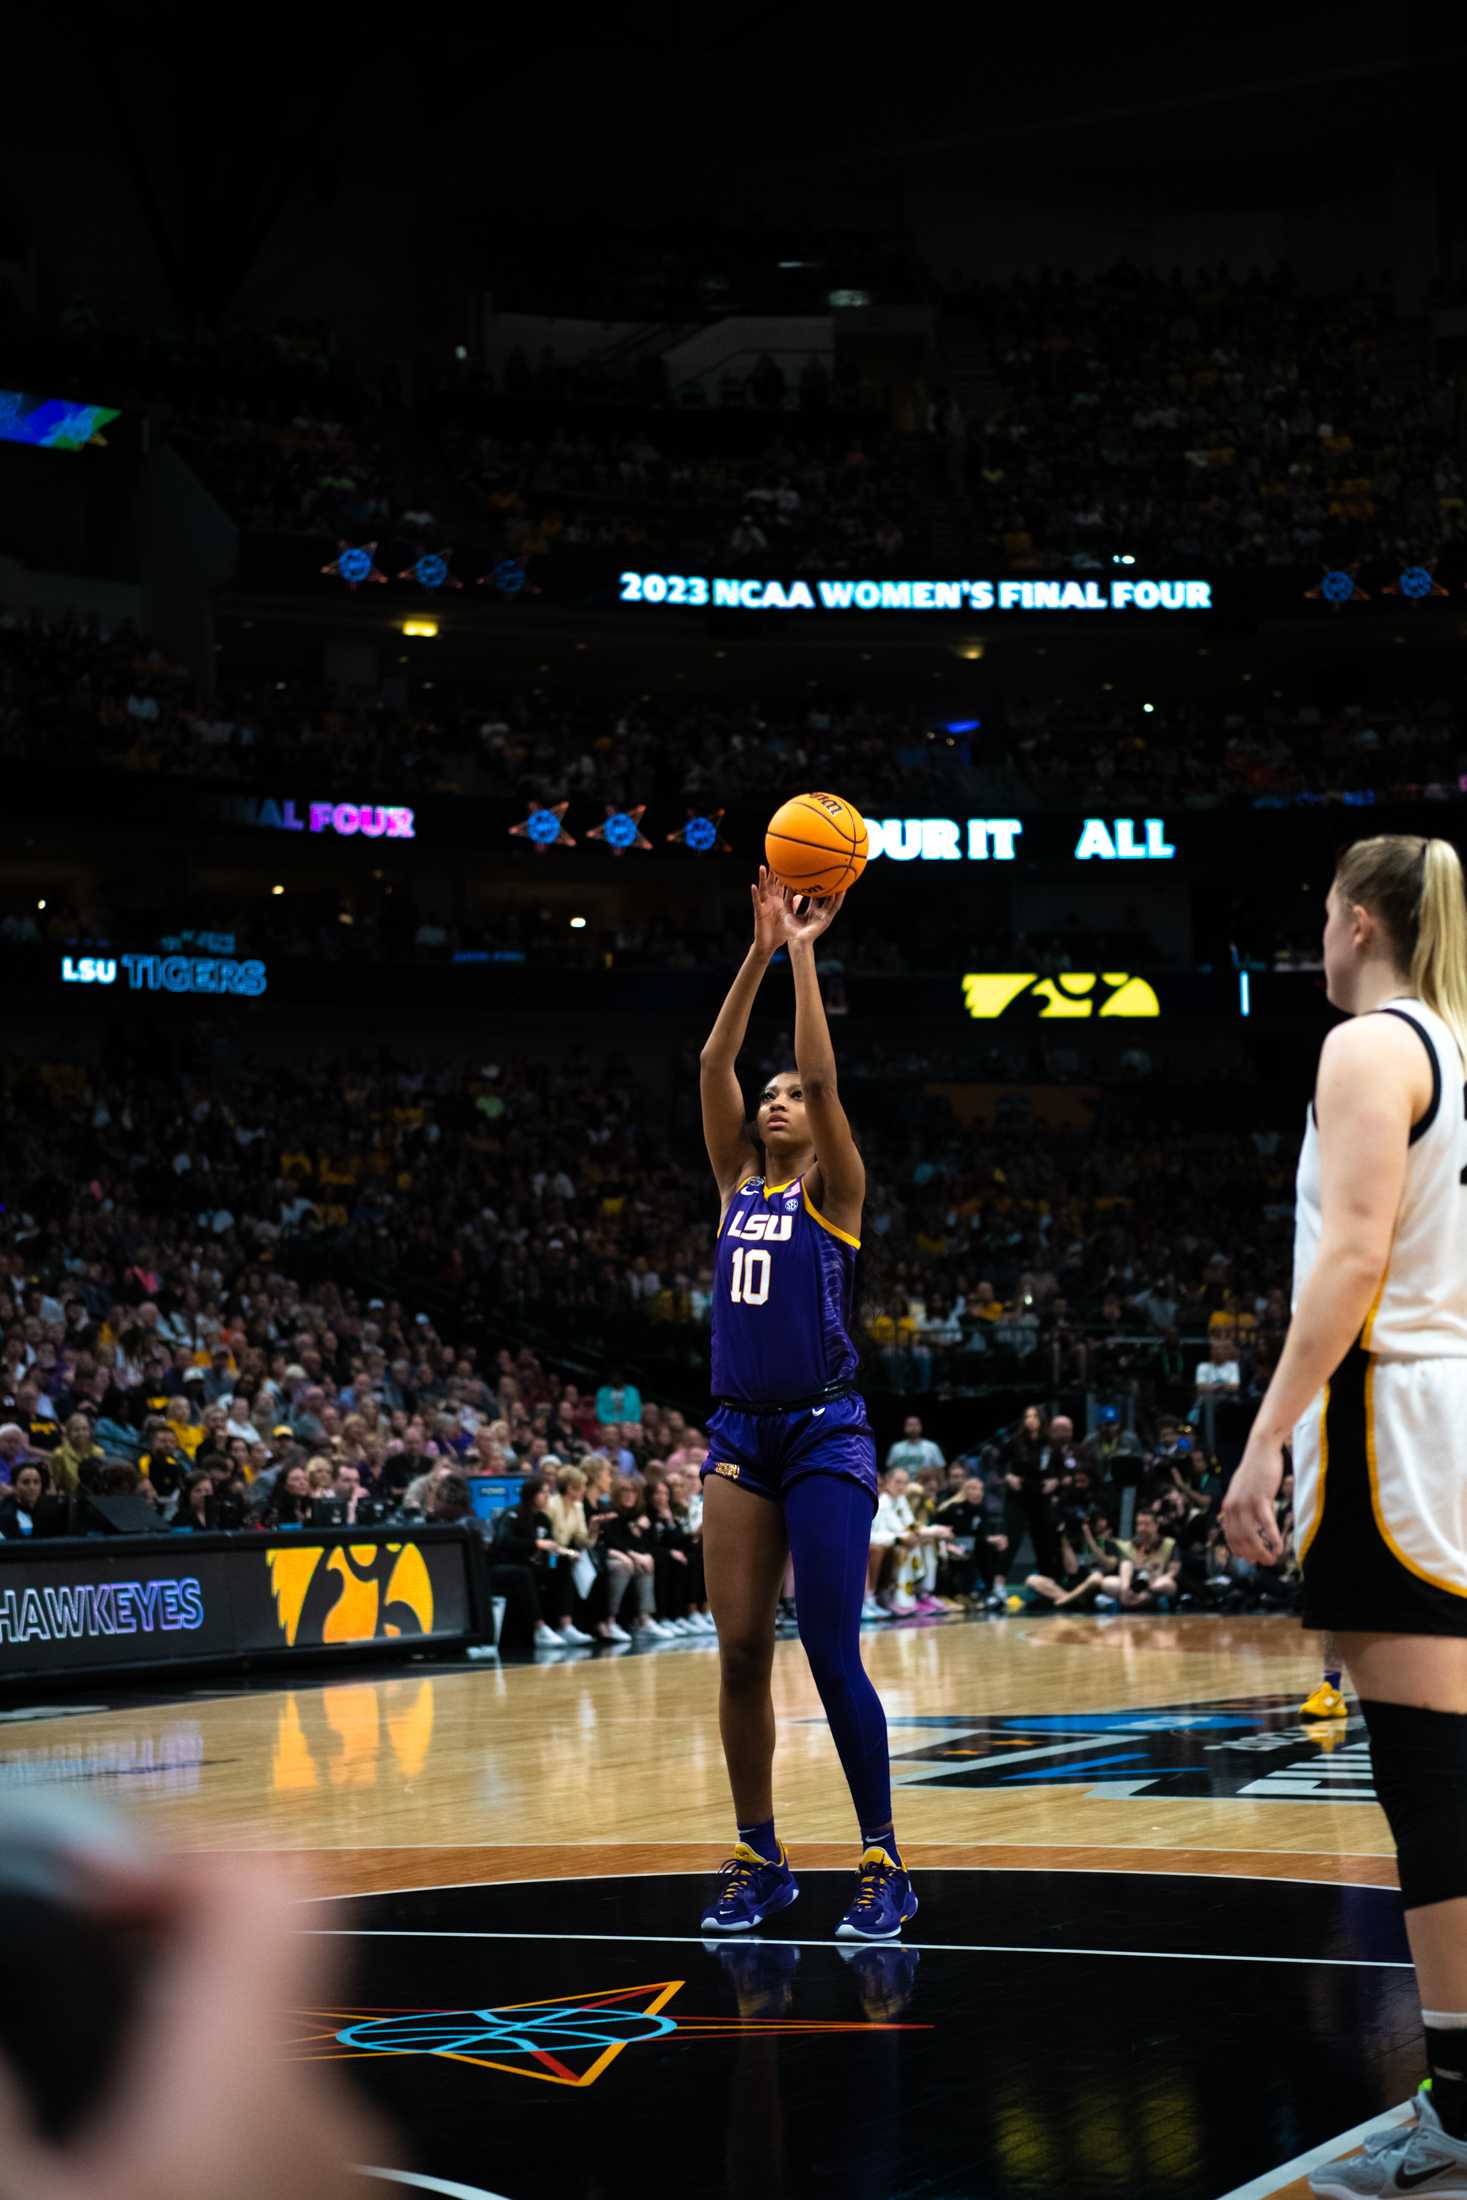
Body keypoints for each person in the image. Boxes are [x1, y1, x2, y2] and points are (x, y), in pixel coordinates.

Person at [1221, 834, 1467, 2196]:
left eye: (1320, 916)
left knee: (1427, 1782)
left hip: (1393, 1425)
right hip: (1455, 1411)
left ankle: (1461, 2110)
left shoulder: (1370, 1045)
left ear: (1361, 921)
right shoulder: (1461, 1044)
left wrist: (1261, 1441)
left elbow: (1355, 1257)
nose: (1314, 941)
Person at [696, 867, 916, 1943]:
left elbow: (826, 1089)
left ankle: (882, 1858)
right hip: (739, 1431)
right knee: (739, 1650)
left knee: (831, 1649)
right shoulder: (734, 1185)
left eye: (789, 1094)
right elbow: (711, 1062)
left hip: (827, 1427)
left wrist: (810, 951)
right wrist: (759, 946)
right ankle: (760, 1852)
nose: (777, 1098)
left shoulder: (835, 1192)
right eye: (769, 1095)